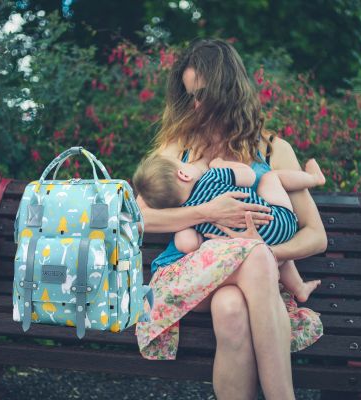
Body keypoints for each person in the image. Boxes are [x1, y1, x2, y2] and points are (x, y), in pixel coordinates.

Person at [134, 38, 326, 400]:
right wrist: (208, 212)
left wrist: (267, 251)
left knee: (231, 307)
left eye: (202, 93)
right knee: (252, 258)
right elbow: (138, 218)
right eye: (190, 96)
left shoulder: (273, 150)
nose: (195, 105)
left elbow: (316, 236)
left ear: (228, 88)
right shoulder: (181, 147)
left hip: (248, 283)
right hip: (189, 276)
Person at [133, 152, 325, 302]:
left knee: (263, 246)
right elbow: (248, 175)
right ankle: (315, 178)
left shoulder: (184, 214)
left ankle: (299, 288)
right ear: (183, 174)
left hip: (253, 246)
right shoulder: (211, 176)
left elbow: (187, 244)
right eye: (186, 164)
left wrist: (199, 234)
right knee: (271, 178)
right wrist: (220, 164)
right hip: (279, 221)